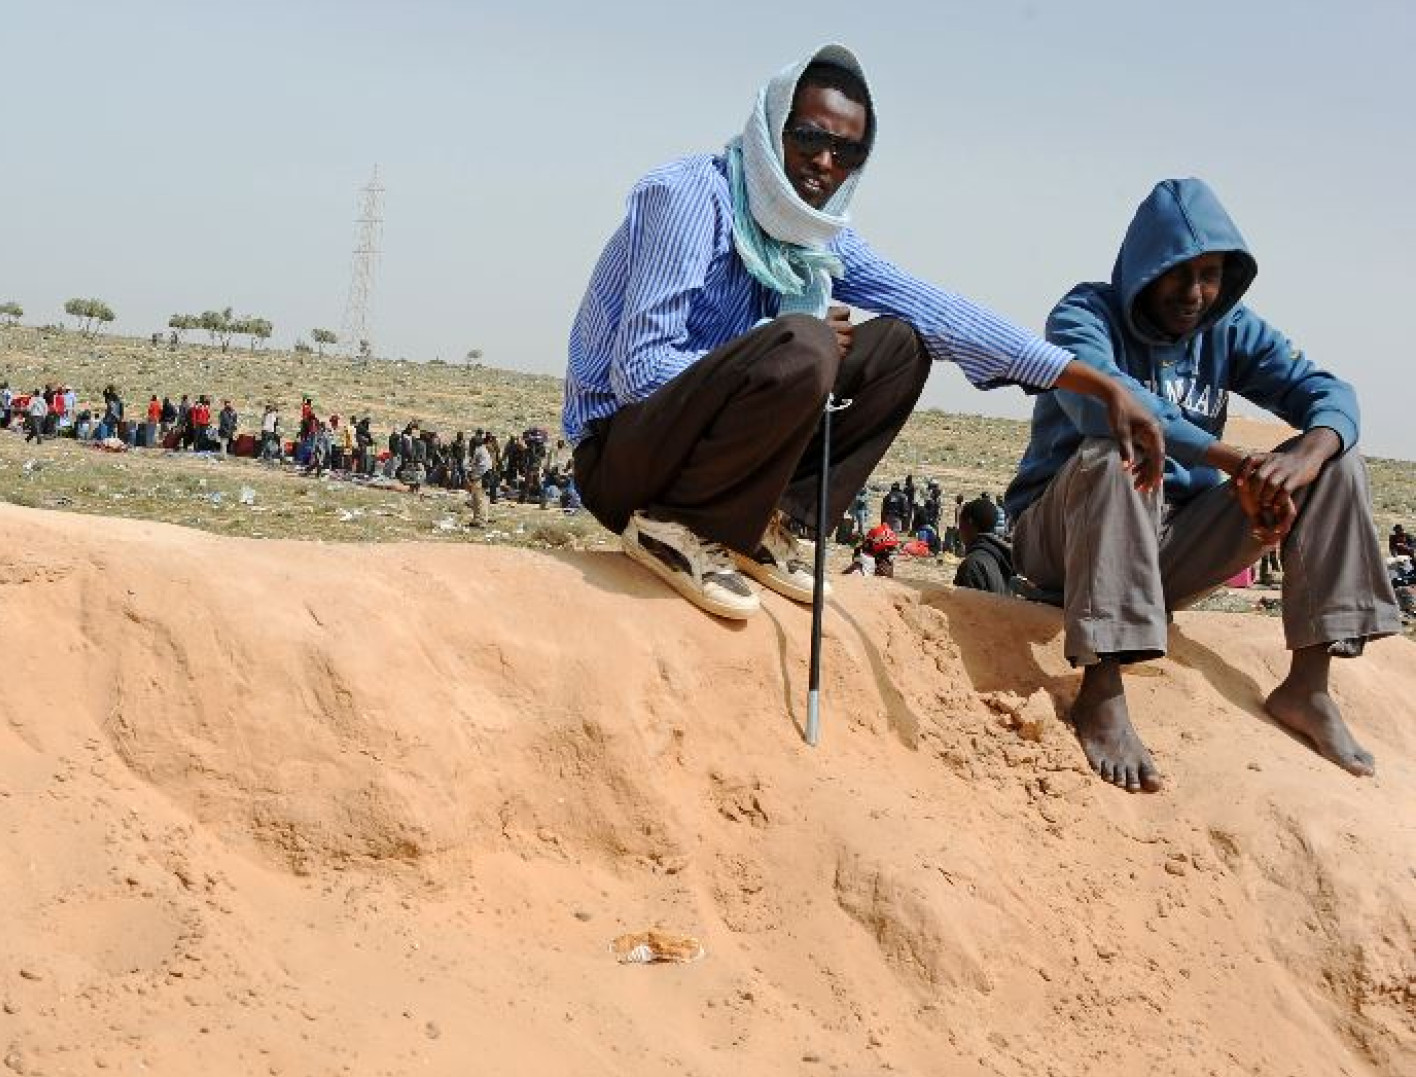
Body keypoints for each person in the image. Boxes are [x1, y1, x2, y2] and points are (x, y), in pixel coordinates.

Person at [561, 43, 1162, 619]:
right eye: (809, 139)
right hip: (621, 455)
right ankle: (670, 527)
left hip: (711, 446)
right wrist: (781, 335)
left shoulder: (818, 236)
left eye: (845, 153)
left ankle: (773, 524)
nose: (824, 163)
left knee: (900, 344)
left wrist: (1093, 385)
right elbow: (639, 371)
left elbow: (939, 309)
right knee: (805, 342)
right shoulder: (691, 197)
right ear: (772, 129)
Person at [1007, 178, 1401, 793]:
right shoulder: (1083, 315)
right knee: (1117, 452)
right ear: (1142, 270)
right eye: (1177, 275)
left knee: (1335, 461)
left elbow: (1331, 394)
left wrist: (1305, 457)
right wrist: (1230, 458)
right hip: (1060, 539)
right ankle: (1102, 690)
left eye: (1211, 275)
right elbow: (1109, 412)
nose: (1195, 294)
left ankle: (1308, 687)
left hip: (1168, 546)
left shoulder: (1227, 328)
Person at [952, 497, 1013, 595]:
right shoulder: (1002, 556)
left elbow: (964, 608)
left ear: (969, 522)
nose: (959, 529)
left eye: (961, 522)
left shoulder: (972, 565)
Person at [466, 435, 493, 528]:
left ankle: (481, 520)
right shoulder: (483, 450)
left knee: (479, 498)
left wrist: (473, 476)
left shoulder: (478, 451)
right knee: (479, 498)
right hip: (485, 475)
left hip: (481, 476)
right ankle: (477, 518)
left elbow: (480, 466)